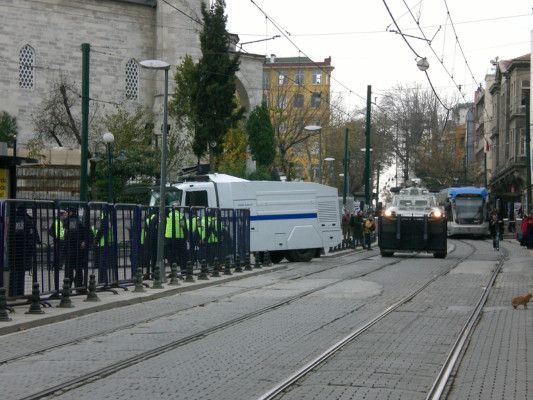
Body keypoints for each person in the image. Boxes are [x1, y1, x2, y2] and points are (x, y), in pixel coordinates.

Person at [7, 204, 38, 297]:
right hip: (24, 251)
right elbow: (34, 237)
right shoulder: (28, 221)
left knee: (13, 271)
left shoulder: (12, 220)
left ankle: (12, 292)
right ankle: (20, 293)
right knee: (21, 273)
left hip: (12, 250)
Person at [64, 207, 90, 291]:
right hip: (77, 250)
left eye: (67, 212)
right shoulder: (78, 221)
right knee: (78, 269)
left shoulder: (72, 221)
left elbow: (72, 235)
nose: (65, 213)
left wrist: (79, 243)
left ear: (71, 213)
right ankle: (79, 286)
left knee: (69, 270)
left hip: (72, 249)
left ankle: (68, 287)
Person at [140, 211, 158, 279]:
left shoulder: (149, 219)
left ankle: (148, 273)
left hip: (147, 240)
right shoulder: (153, 217)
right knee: (152, 258)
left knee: (148, 258)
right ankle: (151, 273)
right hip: (150, 240)